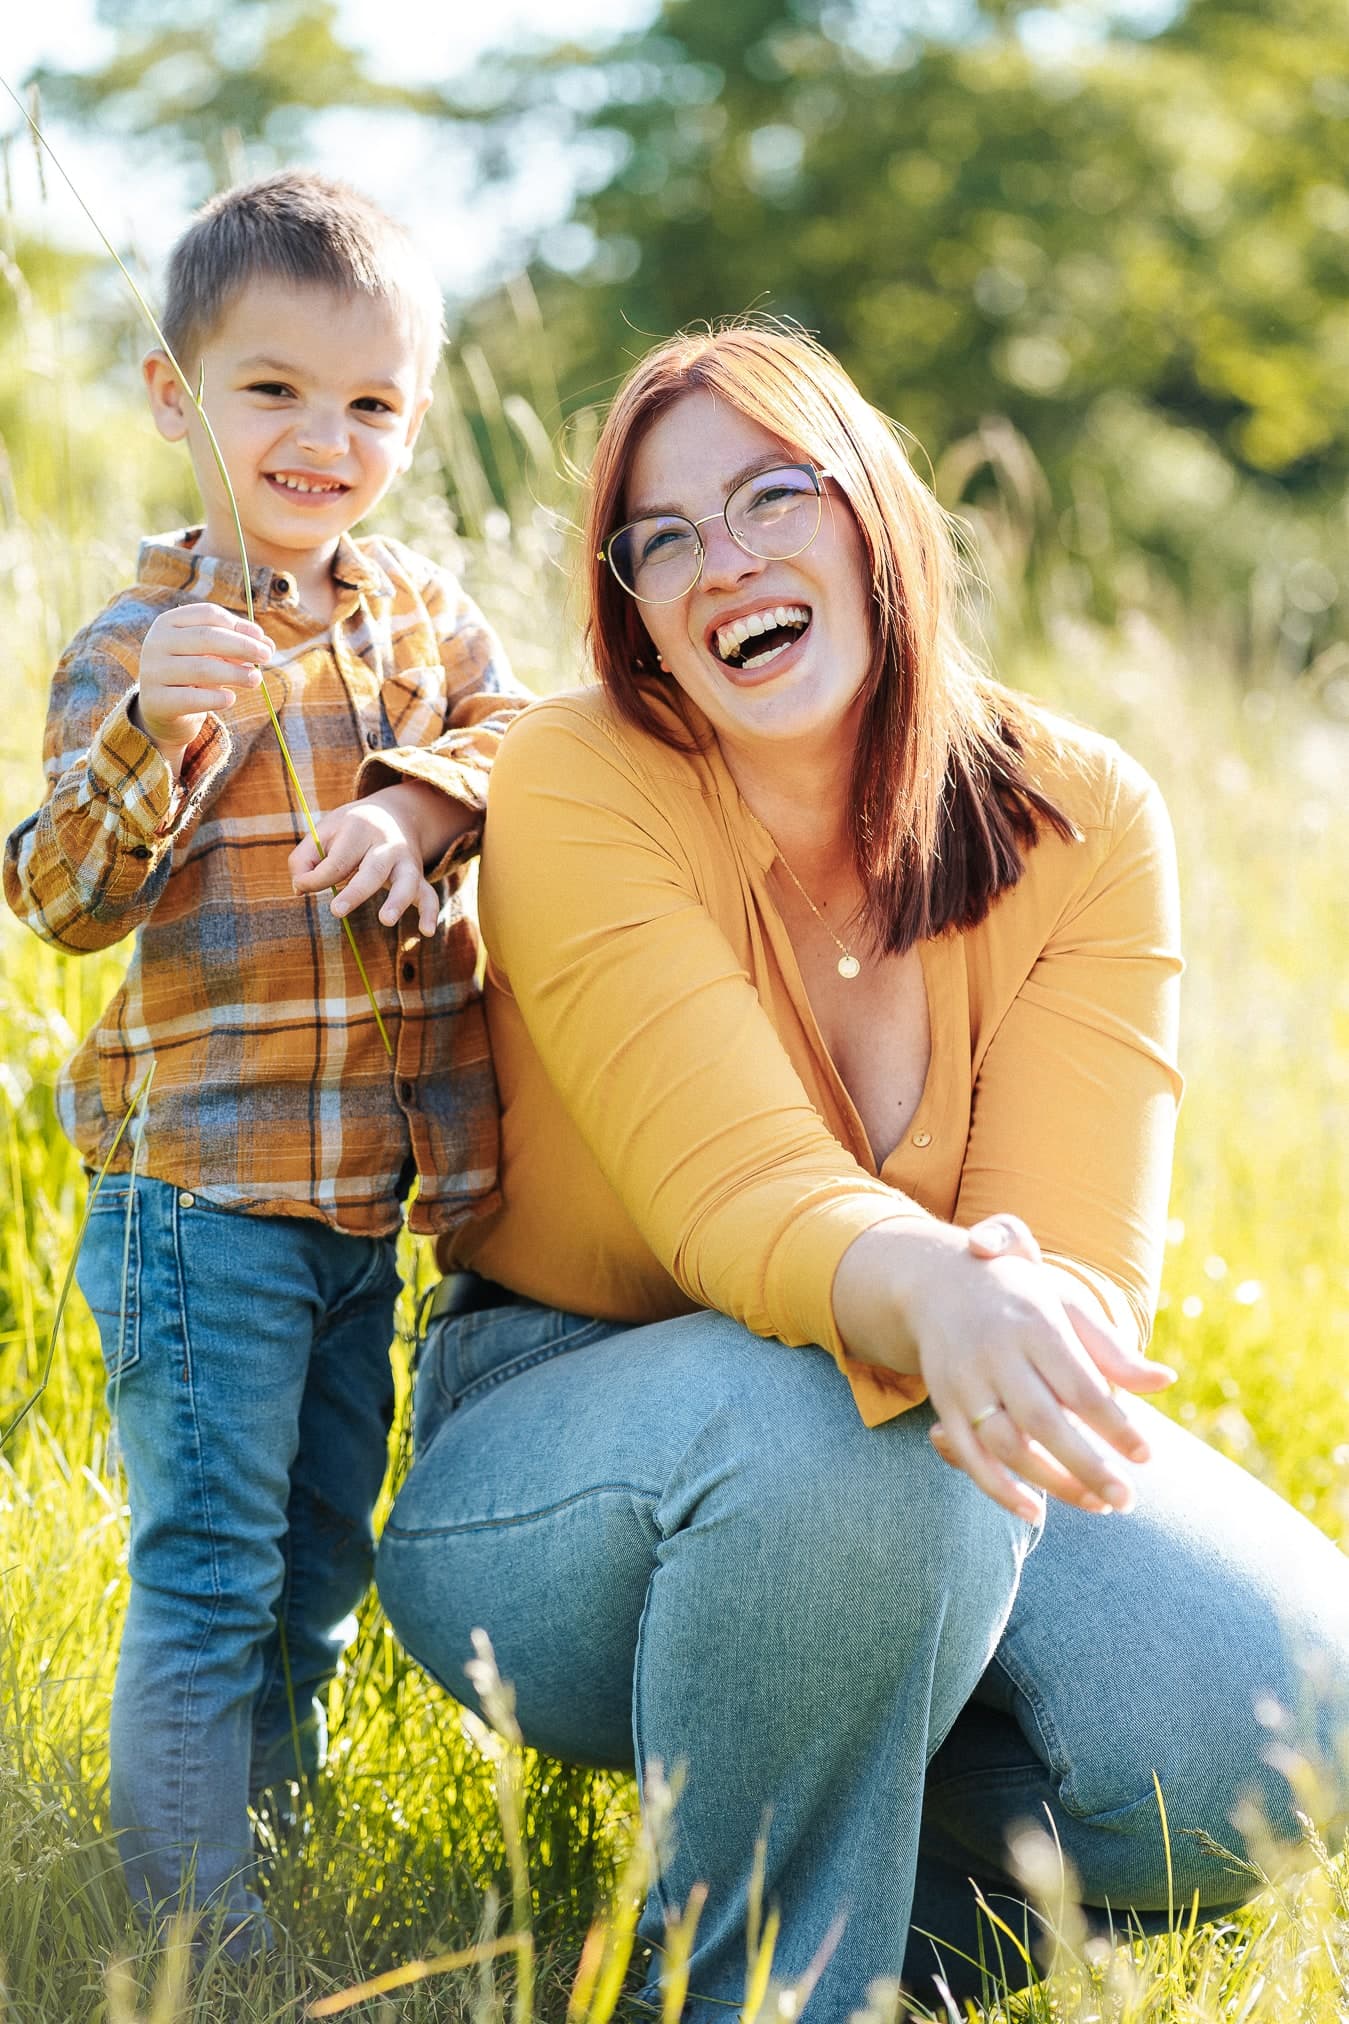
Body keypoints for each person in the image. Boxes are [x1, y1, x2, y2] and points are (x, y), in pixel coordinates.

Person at [372, 321, 1349, 2019]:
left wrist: (1006, 1316)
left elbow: (1083, 1262)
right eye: (661, 537)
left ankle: (847, 1912)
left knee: (1301, 1714)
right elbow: (735, 1192)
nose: (722, 562)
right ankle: (753, 1990)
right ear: (631, 607)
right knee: (846, 1426)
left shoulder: (1082, 816)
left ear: (876, 510)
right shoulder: (576, 775)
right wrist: (943, 1292)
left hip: (943, 1442)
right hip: (554, 1439)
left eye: (772, 496)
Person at [3, 170, 528, 1954]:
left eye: (371, 402)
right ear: (177, 398)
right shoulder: (132, 649)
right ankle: (191, 1940)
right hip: (203, 1201)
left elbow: (525, 737)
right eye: (275, 390)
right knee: (212, 1577)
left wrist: (419, 802)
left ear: (415, 421)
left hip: (360, 1206)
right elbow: (60, 899)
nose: (325, 438)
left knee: (316, 1572)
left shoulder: (423, 620)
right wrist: (153, 731)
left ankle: (266, 1880)